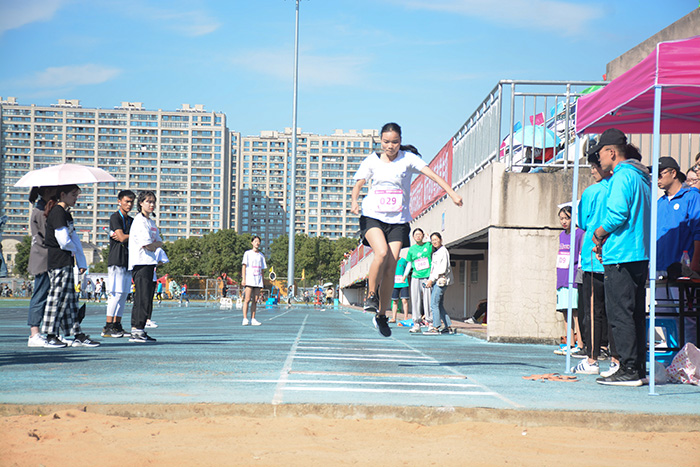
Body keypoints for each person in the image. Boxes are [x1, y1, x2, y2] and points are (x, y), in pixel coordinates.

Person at [351, 123, 462, 337]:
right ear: (380, 141)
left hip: (398, 220)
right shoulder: (372, 160)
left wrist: (452, 193)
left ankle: (381, 316)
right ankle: (371, 296)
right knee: (381, 252)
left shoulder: (408, 159)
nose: (390, 146)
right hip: (372, 216)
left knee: (391, 267)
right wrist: (354, 200)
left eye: (394, 142)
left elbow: (433, 176)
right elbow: (359, 183)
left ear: (400, 141)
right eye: (386, 142)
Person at [591, 128, 651, 386]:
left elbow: (617, 214)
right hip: (639, 253)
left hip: (621, 254)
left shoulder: (621, 176)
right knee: (635, 313)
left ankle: (627, 368)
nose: (599, 159)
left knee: (620, 314)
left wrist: (598, 233)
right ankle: (637, 368)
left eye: (600, 153)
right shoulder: (641, 176)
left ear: (611, 152)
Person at [572, 152, 618, 375]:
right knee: (615, 311)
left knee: (593, 311)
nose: (592, 170)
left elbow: (582, 222)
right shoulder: (620, 188)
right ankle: (615, 358)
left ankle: (592, 358)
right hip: (616, 254)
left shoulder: (591, 192)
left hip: (593, 256)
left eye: (594, 166)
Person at [41, 184, 99, 348]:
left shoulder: (66, 214)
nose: (76, 198)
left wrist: (81, 261)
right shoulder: (58, 212)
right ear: (62, 195)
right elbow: (64, 241)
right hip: (58, 261)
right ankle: (50, 335)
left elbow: (73, 240)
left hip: (65, 261)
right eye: (73, 195)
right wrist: (75, 252)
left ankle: (76, 334)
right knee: (57, 298)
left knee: (70, 300)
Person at [653, 156, 700, 346]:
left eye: (660, 173)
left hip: (682, 269)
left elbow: (697, 231)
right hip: (660, 268)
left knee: (687, 317)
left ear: (673, 173)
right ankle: (674, 355)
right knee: (665, 315)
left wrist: (694, 265)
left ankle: (690, 357)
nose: (657, 178)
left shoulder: (691, 197)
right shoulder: (660, 203)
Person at [128, 191, 163, 343]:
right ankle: (136, 329)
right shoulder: (139, 221)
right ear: (141, 203)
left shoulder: (151, 222)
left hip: (149, 262)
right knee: (141, 298)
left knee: (147, 298)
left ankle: (140, 329)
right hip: (141, 262)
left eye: (153, 201)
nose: (151, 204)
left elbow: (159, 242)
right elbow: (147, 244)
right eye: (148, 201)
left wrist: (155, 244)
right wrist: (154, 244)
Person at [103, 189, 135, 339]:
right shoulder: (115, 217)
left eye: (131, 202)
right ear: (119, 201)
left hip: (127, 260)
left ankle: (117, 325)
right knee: (115, 294)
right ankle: (108, 326)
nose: (129, 204)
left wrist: (128, 236)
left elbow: (126, 237)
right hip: (116, 260)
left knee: (123, 295)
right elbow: (121, 238)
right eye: (126, 201)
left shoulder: (132, 220)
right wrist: (132, 236)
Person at [26, 187, 55, 348]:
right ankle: (34, 333)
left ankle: (40, 332)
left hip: (45, 256)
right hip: (43, 257)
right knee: (40, 294)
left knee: (44, 294)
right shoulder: (41, 210)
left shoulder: (43, 208)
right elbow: (48, 234)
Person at [555, 205, 585, 354]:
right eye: (561, 218)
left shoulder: (580, 233)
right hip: (562, 277)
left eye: (567, 218)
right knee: (565, 312)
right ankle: (570, 343)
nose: (564, 221)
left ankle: (581, 344)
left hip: (573, 277)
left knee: (575, 312)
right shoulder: (562, 235)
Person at [403, 228, 434, 333]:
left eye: (420, 234)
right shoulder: (411, 249)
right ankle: (416, 323)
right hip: (415, 277)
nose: (418, 236)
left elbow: (433, 245)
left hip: (427, 277)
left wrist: (428, 238)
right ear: (413, 237)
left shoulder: (428, 245)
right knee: (415, 300)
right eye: (416, 235)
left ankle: (430, 323)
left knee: (428, 300)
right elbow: (409, 263)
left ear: (423, 236)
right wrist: (405, 275)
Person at [425, 232, 454, 334]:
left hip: (440, 281)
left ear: (441, 240)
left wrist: (431, 280)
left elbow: (441, 269)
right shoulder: (437, 252)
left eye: (436, 240)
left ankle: (436, 327)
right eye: (432, 240)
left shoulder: (443, 252)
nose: (434, 242)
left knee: (434, 304)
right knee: (439, 305)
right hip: (437, 281)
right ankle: (448, 326)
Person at [241, 235, 266, 326]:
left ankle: (253, 318)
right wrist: (243, 279)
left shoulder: (261, 256)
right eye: (255, 241)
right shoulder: (247, 253)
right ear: (252, 243)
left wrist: (262, 281)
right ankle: (245, 318)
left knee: (255, 300)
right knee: (247, 299)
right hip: (249, 279)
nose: (257, 243)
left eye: (258, 241)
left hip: (258, 280)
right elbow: (244, 266)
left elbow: (262, 270)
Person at [390, 251, 410, 323]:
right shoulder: (390, 261)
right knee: (394, 301)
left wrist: (405, 276)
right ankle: (393, 318)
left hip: (403, 283)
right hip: (394, 284)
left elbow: (408, 268)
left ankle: (406, 317)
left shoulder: (403, 260)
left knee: (404, 300)